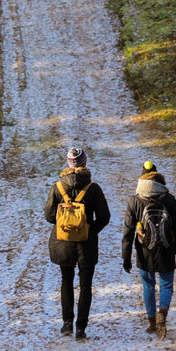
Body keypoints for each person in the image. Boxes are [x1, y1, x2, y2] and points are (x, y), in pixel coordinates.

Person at [44, 145, 110, 340]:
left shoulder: (57, 188)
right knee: (86, 285)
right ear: (85, 163)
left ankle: (66, 324)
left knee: (66, 281)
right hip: (86, 245)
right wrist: (90, 231)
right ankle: (81, 328)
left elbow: (49, 216)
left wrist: (63, 225)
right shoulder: (93, 188)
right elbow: (105, 217)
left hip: (63, 243)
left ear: (69, 163)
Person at [120, 161, 176, 338]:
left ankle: (152, 322)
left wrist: (126, 256)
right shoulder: (169, 199)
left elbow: (128, 231)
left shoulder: (135, 200)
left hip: (144, 249)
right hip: (166, 247)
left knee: (148, 285)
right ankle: (162, 312)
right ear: (158, 178)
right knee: (167, 284)